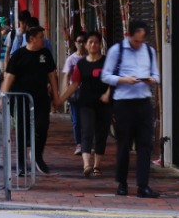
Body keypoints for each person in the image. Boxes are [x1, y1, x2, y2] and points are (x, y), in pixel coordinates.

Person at [101, 21, 160, 198]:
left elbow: (157, 75)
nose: (139, 44)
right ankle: (122, 183)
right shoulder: (116, 50)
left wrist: (151, 79)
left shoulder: (149, 51)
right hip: (123, 103)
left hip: (143, 102)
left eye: (142, 41)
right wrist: (124, 80)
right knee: (124, 143)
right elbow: (105, 76)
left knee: (145, 144)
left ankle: (143, 185)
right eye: (136, 41)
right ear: (129, 35)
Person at [2, 26, 59, 175]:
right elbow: (9, 77)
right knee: (21, 130)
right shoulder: (18, 55)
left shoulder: (45, 54)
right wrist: (2, 98)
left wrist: (56, 97)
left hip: (40, 99)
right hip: (20, 99)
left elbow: (52, 75)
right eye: (41, 37)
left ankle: (37, 155)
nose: (44, 40)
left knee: (42, 126)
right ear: (32, 38)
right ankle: (21, 163)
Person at [55, 32, 111, 178]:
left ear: (100, 44)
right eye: (90, 42)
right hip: (85, 104)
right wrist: (61, 99)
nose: (93, 45)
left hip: (104, 104)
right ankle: (87, 164)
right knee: (86, 132)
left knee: (101, 135)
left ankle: (97, 166)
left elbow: (113, 80)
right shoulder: (81, 63)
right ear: (86, 45)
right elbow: (74, 85)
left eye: (96, 42)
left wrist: (108, 94)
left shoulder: (106, 62)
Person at [62, 32, 87, 156]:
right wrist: (66, 93)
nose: (81, 44)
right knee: (77, 120)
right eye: (79, 41)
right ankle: (79, 143)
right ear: (75, 43)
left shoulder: (91, 57)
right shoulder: (71, 59)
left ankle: (86, 144)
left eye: (83, 41)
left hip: (88, 94)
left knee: (88, 120)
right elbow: (66, 76)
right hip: (75, 94)